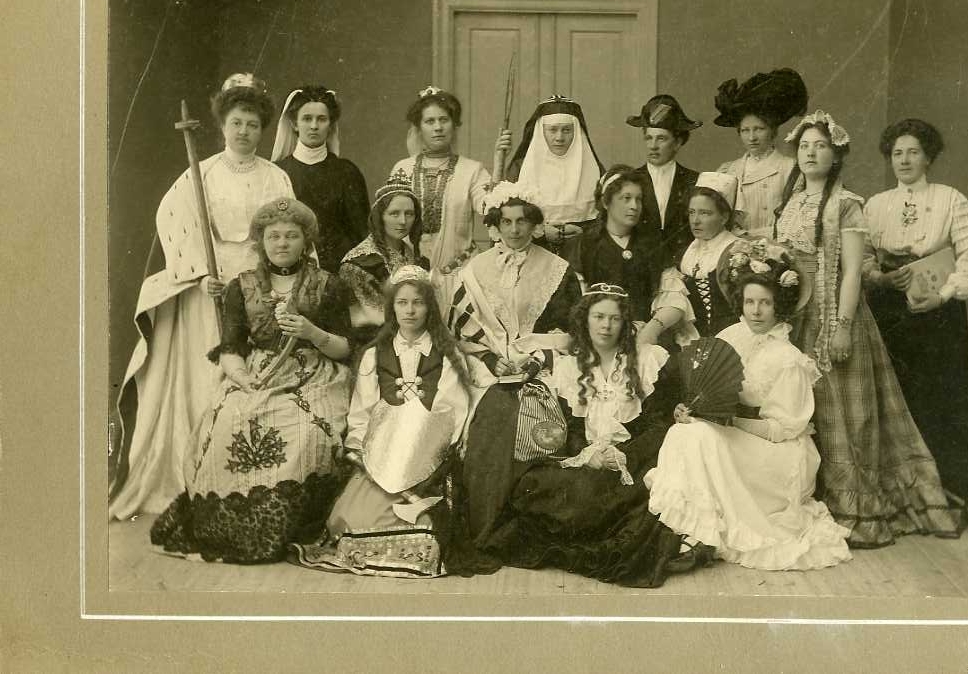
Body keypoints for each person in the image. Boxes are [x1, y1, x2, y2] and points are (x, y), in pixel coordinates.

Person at [772, 110, 963, 547]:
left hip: (837, 315)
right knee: (801, 406)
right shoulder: (790, 204)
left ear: (836, 155)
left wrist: (841, 327)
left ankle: (855, 507)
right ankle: (810, 500)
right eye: (804, 146)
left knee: (846, 413)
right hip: (797, 318)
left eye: (821, 146)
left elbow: (853, 273)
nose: (811, 153)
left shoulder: (847, 204)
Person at [110, 73, 295, 520]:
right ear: (223, 125)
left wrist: (268, 277)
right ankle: (196, 470)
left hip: (258, 285)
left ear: (263, 128)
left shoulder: (276, 177)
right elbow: (176, 220)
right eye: (236, 122)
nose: (244, 131)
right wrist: (198, 274)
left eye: (252, 124)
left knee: (251, 373)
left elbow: (287, 232)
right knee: (206, 374)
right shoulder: (202, 172)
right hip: (208, 285)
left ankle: (242, 474)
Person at [149, 198, 354, 563]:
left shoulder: (328, 285)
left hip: (315, 374)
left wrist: (312, 332)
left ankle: (287, 528)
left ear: (306, 241)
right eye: (273, 236)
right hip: (255, 375)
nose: (282, 243)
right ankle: (231, 529)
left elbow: (345, 348)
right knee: (228, 422)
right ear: (261, 242)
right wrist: (243, 378)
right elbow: (230, 348)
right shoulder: (240, 287)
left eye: (291, 236)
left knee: (307, 433)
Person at [645, 252, 853, 571]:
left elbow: (781, 430)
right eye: (749, 302)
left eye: (765, 303)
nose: (756, 311)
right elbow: (706, 390)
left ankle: (699, 537)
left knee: (700, 436)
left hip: (778, 454)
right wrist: (689, 409)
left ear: (778, 305)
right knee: (684, 431)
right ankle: (694, 533)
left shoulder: (788, 358)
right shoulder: (730, 337)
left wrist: (728, 421)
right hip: (732, 434)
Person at [475, 285, 689, 586]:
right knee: (534, 487)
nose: (606, 325)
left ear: (625, 323)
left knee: (617, 498)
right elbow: (571, 428)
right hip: (588, 458)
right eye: (598, 317)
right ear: (585, 320)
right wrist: (587, 456)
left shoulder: (648, 360)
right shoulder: (569, 367)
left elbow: (660, 425)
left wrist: (623, 455)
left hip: (635, 459)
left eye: (614, 318)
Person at [291, 266, 493, 577]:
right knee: (353, 519)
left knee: (422, 525)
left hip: (428, 454)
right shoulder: (375, 355)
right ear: (392, 307)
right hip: (381, 454)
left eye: (418, 303)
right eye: (402, 303)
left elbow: (452, 410)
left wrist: (423, 449)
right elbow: (362, 411)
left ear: (429, 307)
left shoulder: (446, 353)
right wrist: (363, 450)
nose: (410, 311)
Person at [863, 118, 968, 507]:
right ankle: (900, 484)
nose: (904, 160)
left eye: (913, 152)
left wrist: (944, 295)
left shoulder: (951, 199)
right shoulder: (876, 204)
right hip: (889, 306)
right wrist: (881, 279)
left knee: (938, 393)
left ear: (928, 157)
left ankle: (947, 484)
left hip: (938, 310)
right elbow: (864, 257)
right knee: (894, 391)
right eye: (897, 153)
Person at [449, 182, 582, 545]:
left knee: (531, 418)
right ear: (495, 224)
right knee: (490, 417)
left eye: (522, 221)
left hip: (545, 363)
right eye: (506, 221)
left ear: (535, 223)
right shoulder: (475, 269)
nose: (514, 229)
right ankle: (485, 520)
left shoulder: (558, 269)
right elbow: (462, 326)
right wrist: (492, 359)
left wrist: (535, 361)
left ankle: (526, 524)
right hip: (486, 365)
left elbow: (570, 330)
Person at [388, 86, 510, 310]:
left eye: (444, 120)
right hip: (411, 278)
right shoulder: (402, 169)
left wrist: (498, 163)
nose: (438, 127)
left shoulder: (472, 170)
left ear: (454, 124)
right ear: (419, 127)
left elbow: (490, 209)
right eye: (430, 121)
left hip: (460, 273)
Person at [637, 172, 748, 347]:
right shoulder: (685, 254)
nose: (695, 221)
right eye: (692, 212)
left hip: (734, 340)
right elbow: (674, 300)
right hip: (692, 342)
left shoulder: (738, 251)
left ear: (724, 217)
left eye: (705, 213)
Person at [271, 85, 369, 274]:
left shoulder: (346, 171)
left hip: (339, 271)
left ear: (330, 125)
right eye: (307, 119)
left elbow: (361, 234)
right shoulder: (278, 172)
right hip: (291, 270)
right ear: (294, 124)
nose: (314, 126)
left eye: (321, 119)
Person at [503, 94, 604, 265]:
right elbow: (507, 217)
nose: (559, 137)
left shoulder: (595, 170)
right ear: (541, 131)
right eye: (552, 130)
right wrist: (541, 232)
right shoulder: (520, 168)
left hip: (581, 253)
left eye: (566, 130)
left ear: (576, 131)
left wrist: (582, 232)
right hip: (533, 253)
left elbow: (605, 218)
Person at [713, 68, 805, 239]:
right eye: (745, 130)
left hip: (776, 245)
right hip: (735, 247)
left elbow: (796, 221)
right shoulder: (728, 170)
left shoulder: (790, 168)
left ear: (772, 131)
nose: (752, 137)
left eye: (759, 129)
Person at [338, 175, 429, 344]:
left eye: (409, 214)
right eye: (394, 213)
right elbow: (373, 322)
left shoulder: (414, 255)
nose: (403, 221)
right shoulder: (360, 264)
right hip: (377, 342)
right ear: (380, 216)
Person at [578, 165, 665, 323]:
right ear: (605, 202)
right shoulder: (585, 245)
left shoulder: (651, 244)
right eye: (626, 198)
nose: (634, 206)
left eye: (638, 199)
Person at [626, 95, 702, 258]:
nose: (653, 146)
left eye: (661, 138)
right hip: (638, 264)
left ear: (677, 142)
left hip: (683, 264)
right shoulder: (629, 180)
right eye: (649, 138)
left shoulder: (695, 181)